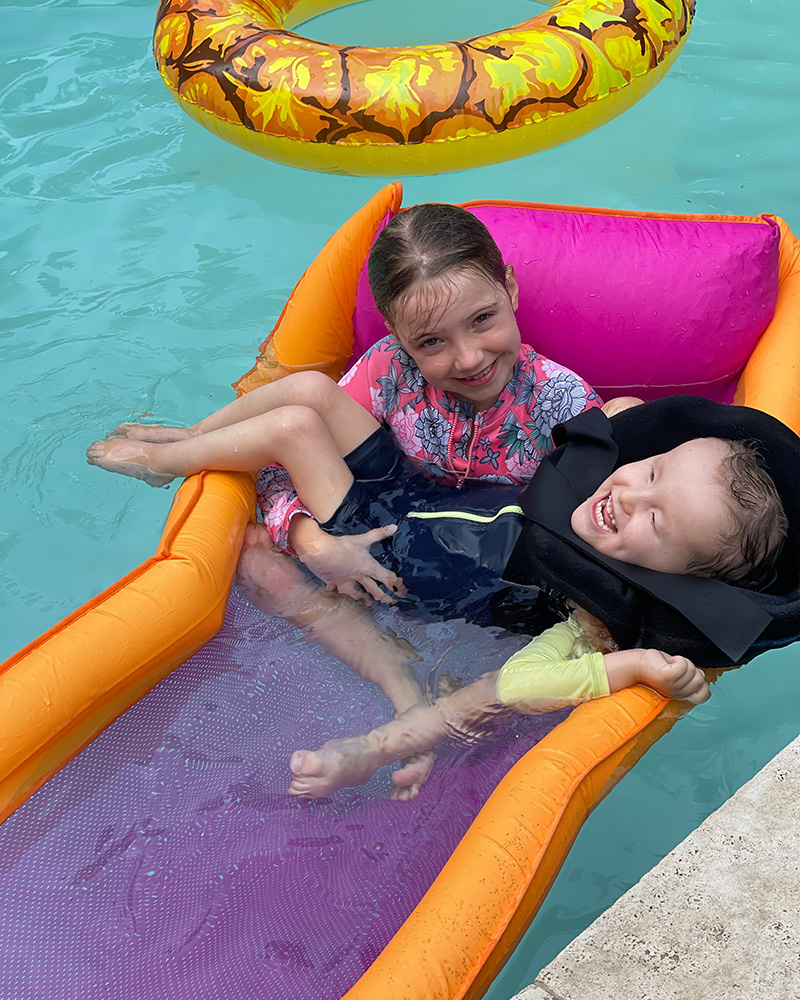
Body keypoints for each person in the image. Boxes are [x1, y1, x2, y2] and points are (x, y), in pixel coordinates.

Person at [87, 388, 788, 797]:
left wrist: (622, 668)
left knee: (292, 430)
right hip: (420, 496)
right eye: (654, 471)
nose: (629, 495)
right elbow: (630, 427)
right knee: (309, 390)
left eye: (658, 521)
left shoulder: (593, 616)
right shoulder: (609, 480)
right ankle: (192, 436)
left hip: (395, 547)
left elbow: (513, 686)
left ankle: (161, 463)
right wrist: (640, 442)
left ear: (676, 576)